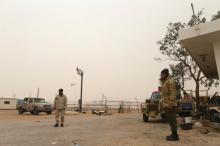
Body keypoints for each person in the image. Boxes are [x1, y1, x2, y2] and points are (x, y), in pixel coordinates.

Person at [160, 69, 179, 141]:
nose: (161, 76)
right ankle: (173, 133)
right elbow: (164, 95)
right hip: (166, 105)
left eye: (163, 74)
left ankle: (175, 136)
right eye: (161, 75)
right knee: (170, 120)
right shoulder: (164, 83)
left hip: (170, 105)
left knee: (173, 120)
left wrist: (170, 104)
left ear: (166, 74)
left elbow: (173, 93)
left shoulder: (170, 82)